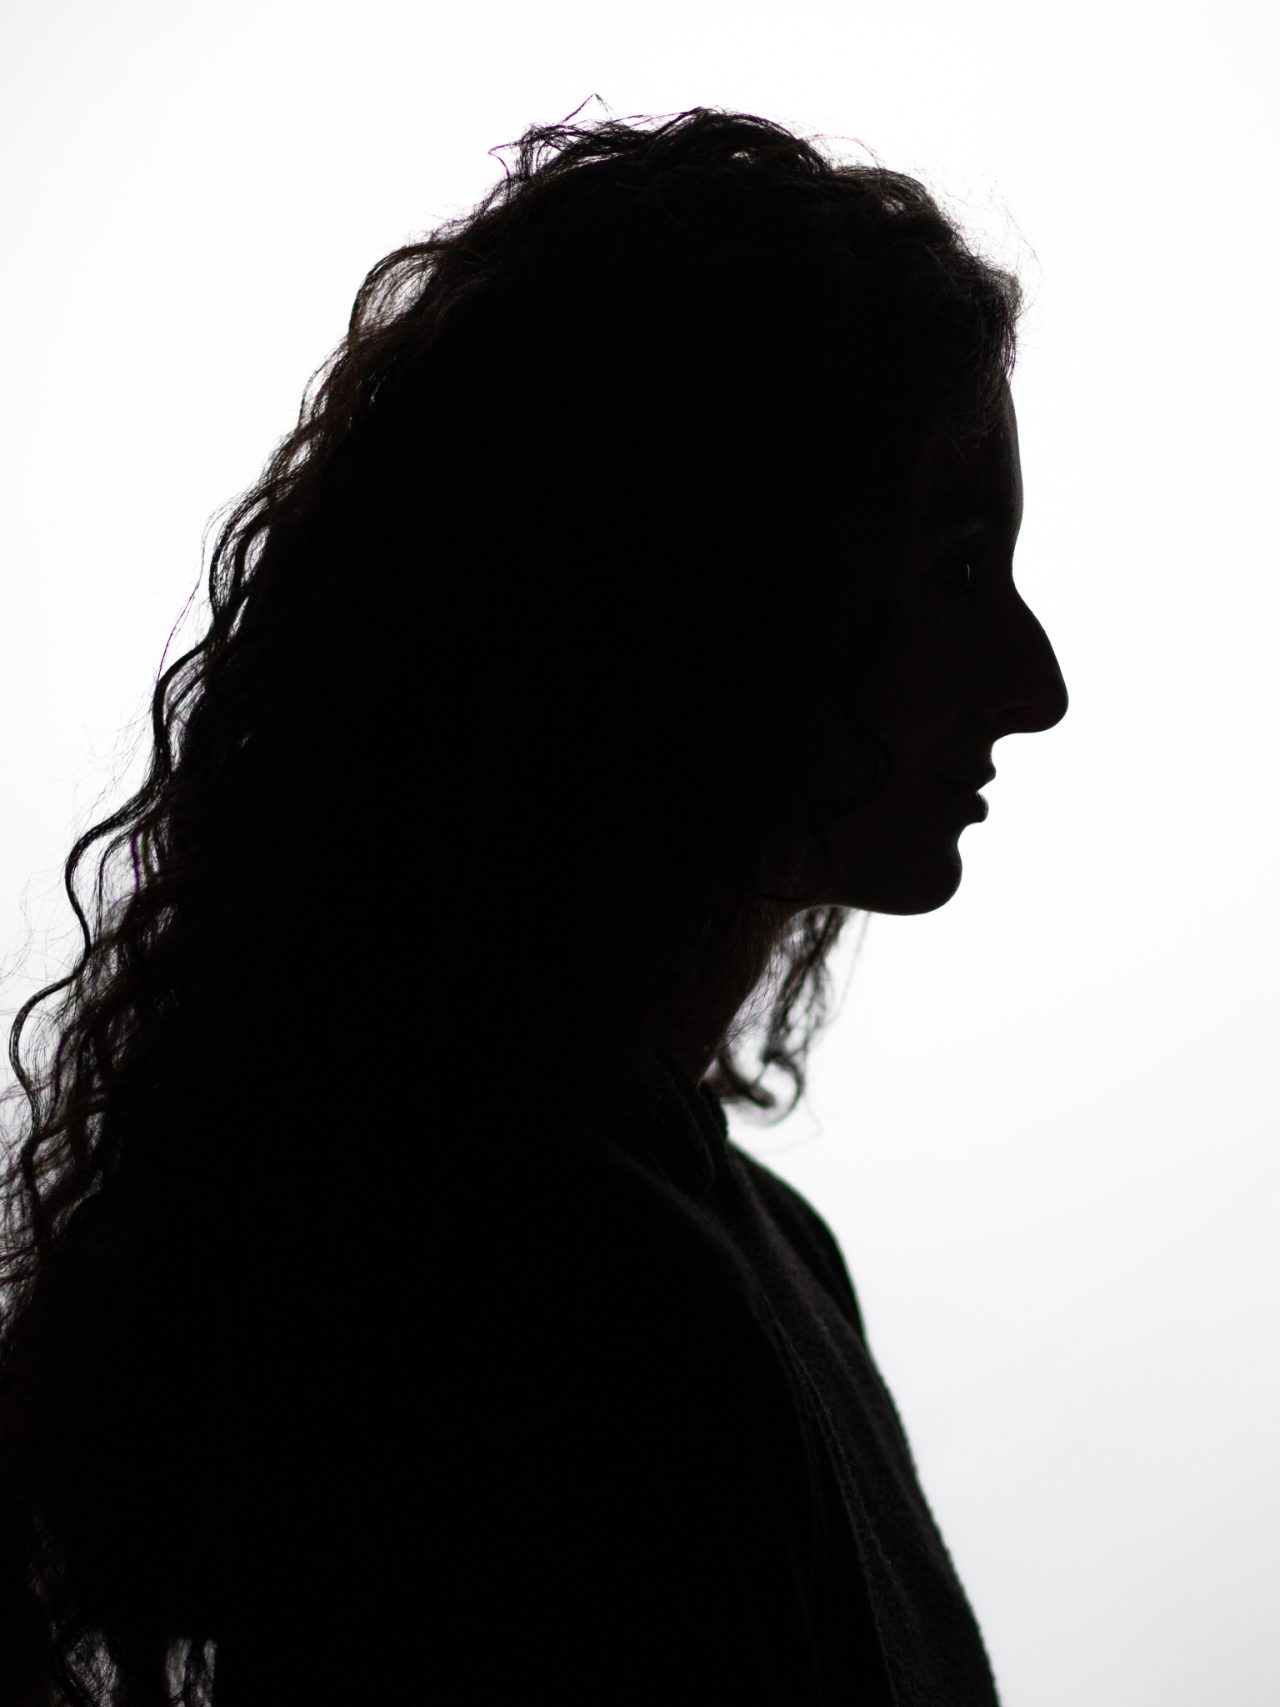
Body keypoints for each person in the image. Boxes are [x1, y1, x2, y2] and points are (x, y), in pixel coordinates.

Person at [0, 102, 1066, 1705]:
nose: (1035, 686)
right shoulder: (553, 1311)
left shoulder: (751, 1256)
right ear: (710, 598)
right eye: (954, 565)